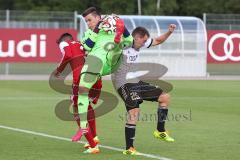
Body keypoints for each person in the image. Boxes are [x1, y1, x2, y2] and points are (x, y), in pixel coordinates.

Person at [72, 6, 133, 150]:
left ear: (99, 17)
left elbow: (129, 41)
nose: (88, 23)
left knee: (117, 46)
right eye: (86, 21)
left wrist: (122, 29)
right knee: (82, 92)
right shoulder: (90, 32)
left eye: (90, 20)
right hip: (98, 65)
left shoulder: (111, 27)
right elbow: (86, 46)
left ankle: (86, 131)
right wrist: (96, 29)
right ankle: (85, 129)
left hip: (111, 62)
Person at [111, 25, 176, 155]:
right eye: (143, 40)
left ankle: (160, 131)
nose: (145, 43)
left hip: (135, 81)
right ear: (136, 38)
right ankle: (129, 148)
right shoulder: (125, 44)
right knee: (134, 111)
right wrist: (117, 23)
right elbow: (117, 40)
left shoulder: (140, 44)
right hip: (123, 82)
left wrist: (169, 32)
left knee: (165, 97)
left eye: (146, 41)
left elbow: (157, 41)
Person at [54, 33, 102, 154]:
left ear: (63, 41)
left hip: (81, 80)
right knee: (87, 106)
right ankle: (94, 137)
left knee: (77, 108)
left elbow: (67, 55)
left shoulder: (65, 43)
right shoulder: (83, 43)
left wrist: (59, 69)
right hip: (96, 78)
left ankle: (92, 144)